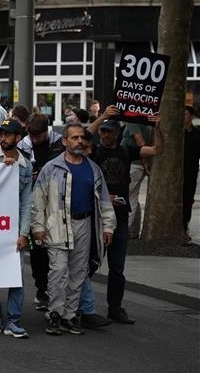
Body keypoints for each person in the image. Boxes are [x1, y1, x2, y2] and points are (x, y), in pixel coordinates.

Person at [31, 123, 115, 336]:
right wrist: (38, 227)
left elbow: (104, 201)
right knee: (58, 271)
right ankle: (55, 314)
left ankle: (70, 316)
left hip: (84, 225)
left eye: (82, 138)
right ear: (64, 141)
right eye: (75, 137)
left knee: (79, 273)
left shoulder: (93, 169)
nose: (80, 141)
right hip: (57, 225)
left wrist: (108, 227)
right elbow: (37, 200)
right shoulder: (51, 168)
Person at [83, 107, 163, 325]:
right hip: (98, 216)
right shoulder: (95, 151)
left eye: (109, 131)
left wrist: (157, 128)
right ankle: (81, 305)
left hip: (120, 216)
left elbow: (157, 149)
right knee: (90, 263)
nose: (105, 135)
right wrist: (102, 117)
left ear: (117, 132)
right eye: (103, 132)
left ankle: (115, 308)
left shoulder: (127, 151)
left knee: (117, 268)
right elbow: (84, 138)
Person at [0, 120, 32, 338]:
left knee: (15, 276)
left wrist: (24, 232)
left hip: (13, 230)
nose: (3, 138)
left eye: (8, 135)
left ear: (18, 138)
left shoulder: (25, 165)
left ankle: (14, 319)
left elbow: (27, 201)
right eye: (1, 134)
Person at [17, 113, 65, 311]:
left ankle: (54, 290)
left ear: (47, 131)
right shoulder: (24, 147)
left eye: (39, 137)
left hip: (54, 202)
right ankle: (42, 289)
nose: (35, 140)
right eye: (33, 137)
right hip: (35, 202)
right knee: (37, 250)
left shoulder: (60, 144)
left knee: (54, 247)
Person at [121, 120, 155, 238]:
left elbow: (140, 141)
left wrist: (144, 161)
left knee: (125, 198)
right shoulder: (147, 123)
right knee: (132, 198)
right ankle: (132, 231)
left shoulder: (133, 120)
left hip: (133, 163)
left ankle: (124, 230)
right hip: (138, 165)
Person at [184, 106, 200, 244]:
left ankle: (185, 226)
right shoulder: (176, 134)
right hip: (177, 173)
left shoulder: (197, 134)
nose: (184, 116)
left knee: (188, 199)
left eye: (187, 114)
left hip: (191, 171)